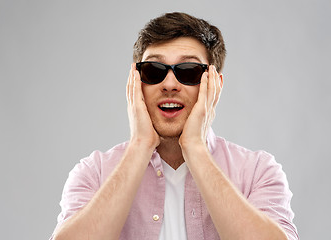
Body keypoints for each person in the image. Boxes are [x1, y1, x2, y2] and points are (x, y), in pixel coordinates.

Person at [51, 12, 299, 240]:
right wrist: (140, 145)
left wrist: (195, 147)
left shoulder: (257, 172)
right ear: (135, 83)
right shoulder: (94, 173)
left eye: (189, 71)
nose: (169, 84)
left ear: (215, 86)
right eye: (153, 70)